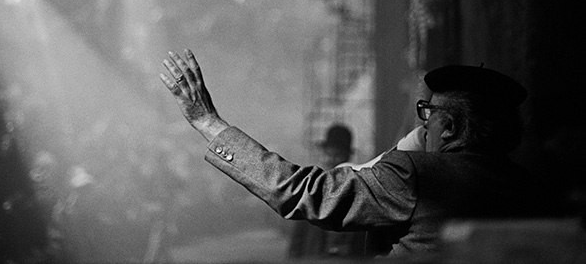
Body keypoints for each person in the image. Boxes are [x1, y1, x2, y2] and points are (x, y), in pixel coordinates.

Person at [159, 50, 541, 257]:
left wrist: (208, 122)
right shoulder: (527, 186)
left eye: (428, 115)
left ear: (453, 128)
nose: (423, 126)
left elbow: (303, 192)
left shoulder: (413, 176)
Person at [288, 123, 367, 259]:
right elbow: (297, 242)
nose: (331, 160)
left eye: (337, 155)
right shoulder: (311, 192)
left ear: (347, 156)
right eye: (328, 154)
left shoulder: (360, 192)